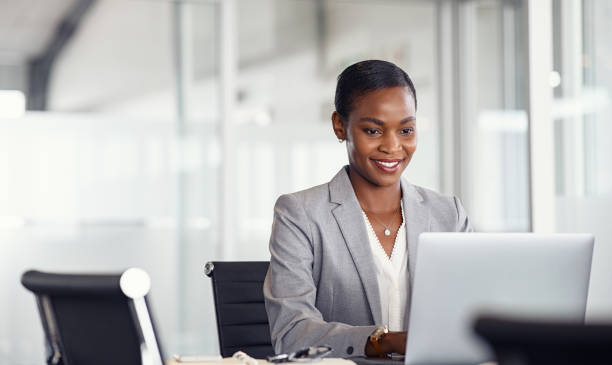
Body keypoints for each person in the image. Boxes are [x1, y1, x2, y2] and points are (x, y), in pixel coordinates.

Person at [263, 60, 472, 359]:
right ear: (339, 125)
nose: (392, 146)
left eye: (406, 130)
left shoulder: (448, 214)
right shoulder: (300, 214)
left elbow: (474, 315)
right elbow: (292, 333)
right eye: (373, 131)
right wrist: (383, 342)